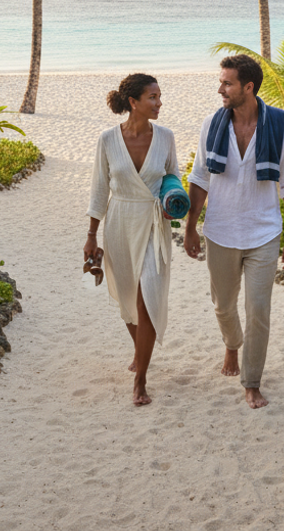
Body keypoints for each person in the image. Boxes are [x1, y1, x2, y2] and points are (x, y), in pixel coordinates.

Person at [184, 55, 284, 409]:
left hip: (263, 232)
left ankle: (252, 382)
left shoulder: (280, 126)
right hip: (220, 230)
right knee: (223, 306)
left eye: (227, 83)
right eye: (221, 82)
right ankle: (231, 344)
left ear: (248, 87)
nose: (220, 89)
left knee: (259, 309)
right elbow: (199, 178)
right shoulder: (211, 124)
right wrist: (191, 226)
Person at [86, 73, 180, 406]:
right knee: (128, 299)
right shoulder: (108, 140)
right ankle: (140, 352)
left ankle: (140, 378)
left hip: (153, 223)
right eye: (152, 97)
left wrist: (173, 203)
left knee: (148, 299)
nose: (158, 103)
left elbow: (173, 179)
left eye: (159, 96)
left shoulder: (166, 137)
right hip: (119, 223)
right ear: (133, 103)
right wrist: (91, 235)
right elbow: (99, 188)